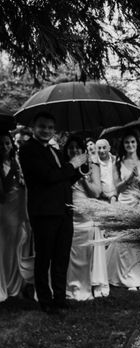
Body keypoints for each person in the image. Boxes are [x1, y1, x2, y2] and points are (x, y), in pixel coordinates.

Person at [18, 112, 86, 313]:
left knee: (61, 257)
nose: (46, 130)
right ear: (33, 127)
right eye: (42, 126)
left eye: (50, 127)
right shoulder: (28, 150)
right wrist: (72, 164)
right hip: (44, 212)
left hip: (64, 211)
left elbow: (62, 181)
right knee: (44, 257)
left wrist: (79, 170)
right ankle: (45, 300)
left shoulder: (54, 151)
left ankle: (59, 297)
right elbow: (48, 177)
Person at [107, 130, 140, 292]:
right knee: (125, 243)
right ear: (123, 145)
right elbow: (117, 188)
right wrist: (129, 179)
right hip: (125, 202)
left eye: (133, 142)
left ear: (138, 144)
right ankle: (125, 278)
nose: (130, 145)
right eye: (127, 142)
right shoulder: (118, 164)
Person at [64, 136, 105, 301]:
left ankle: (88, 284)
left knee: (86, 253)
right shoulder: (63, 167)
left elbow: (96, 192)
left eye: (78, 148)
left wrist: (83, 178)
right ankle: (69, 286)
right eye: (71, 147)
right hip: (67, 217)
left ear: (83, 151)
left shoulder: (93, 167)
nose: (74, 151)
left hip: (87, 219)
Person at [0, 132, 30, 302]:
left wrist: (21, 178)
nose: (5, 147)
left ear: (12, 144)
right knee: (8, 249)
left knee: (20, 246)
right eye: (1, 144)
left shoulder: (15, 161)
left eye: (7, 143)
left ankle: (18, 284)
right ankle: (8, 284)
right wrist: (12, 173)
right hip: (6, 210)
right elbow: (2, 194)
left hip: (20, 207)